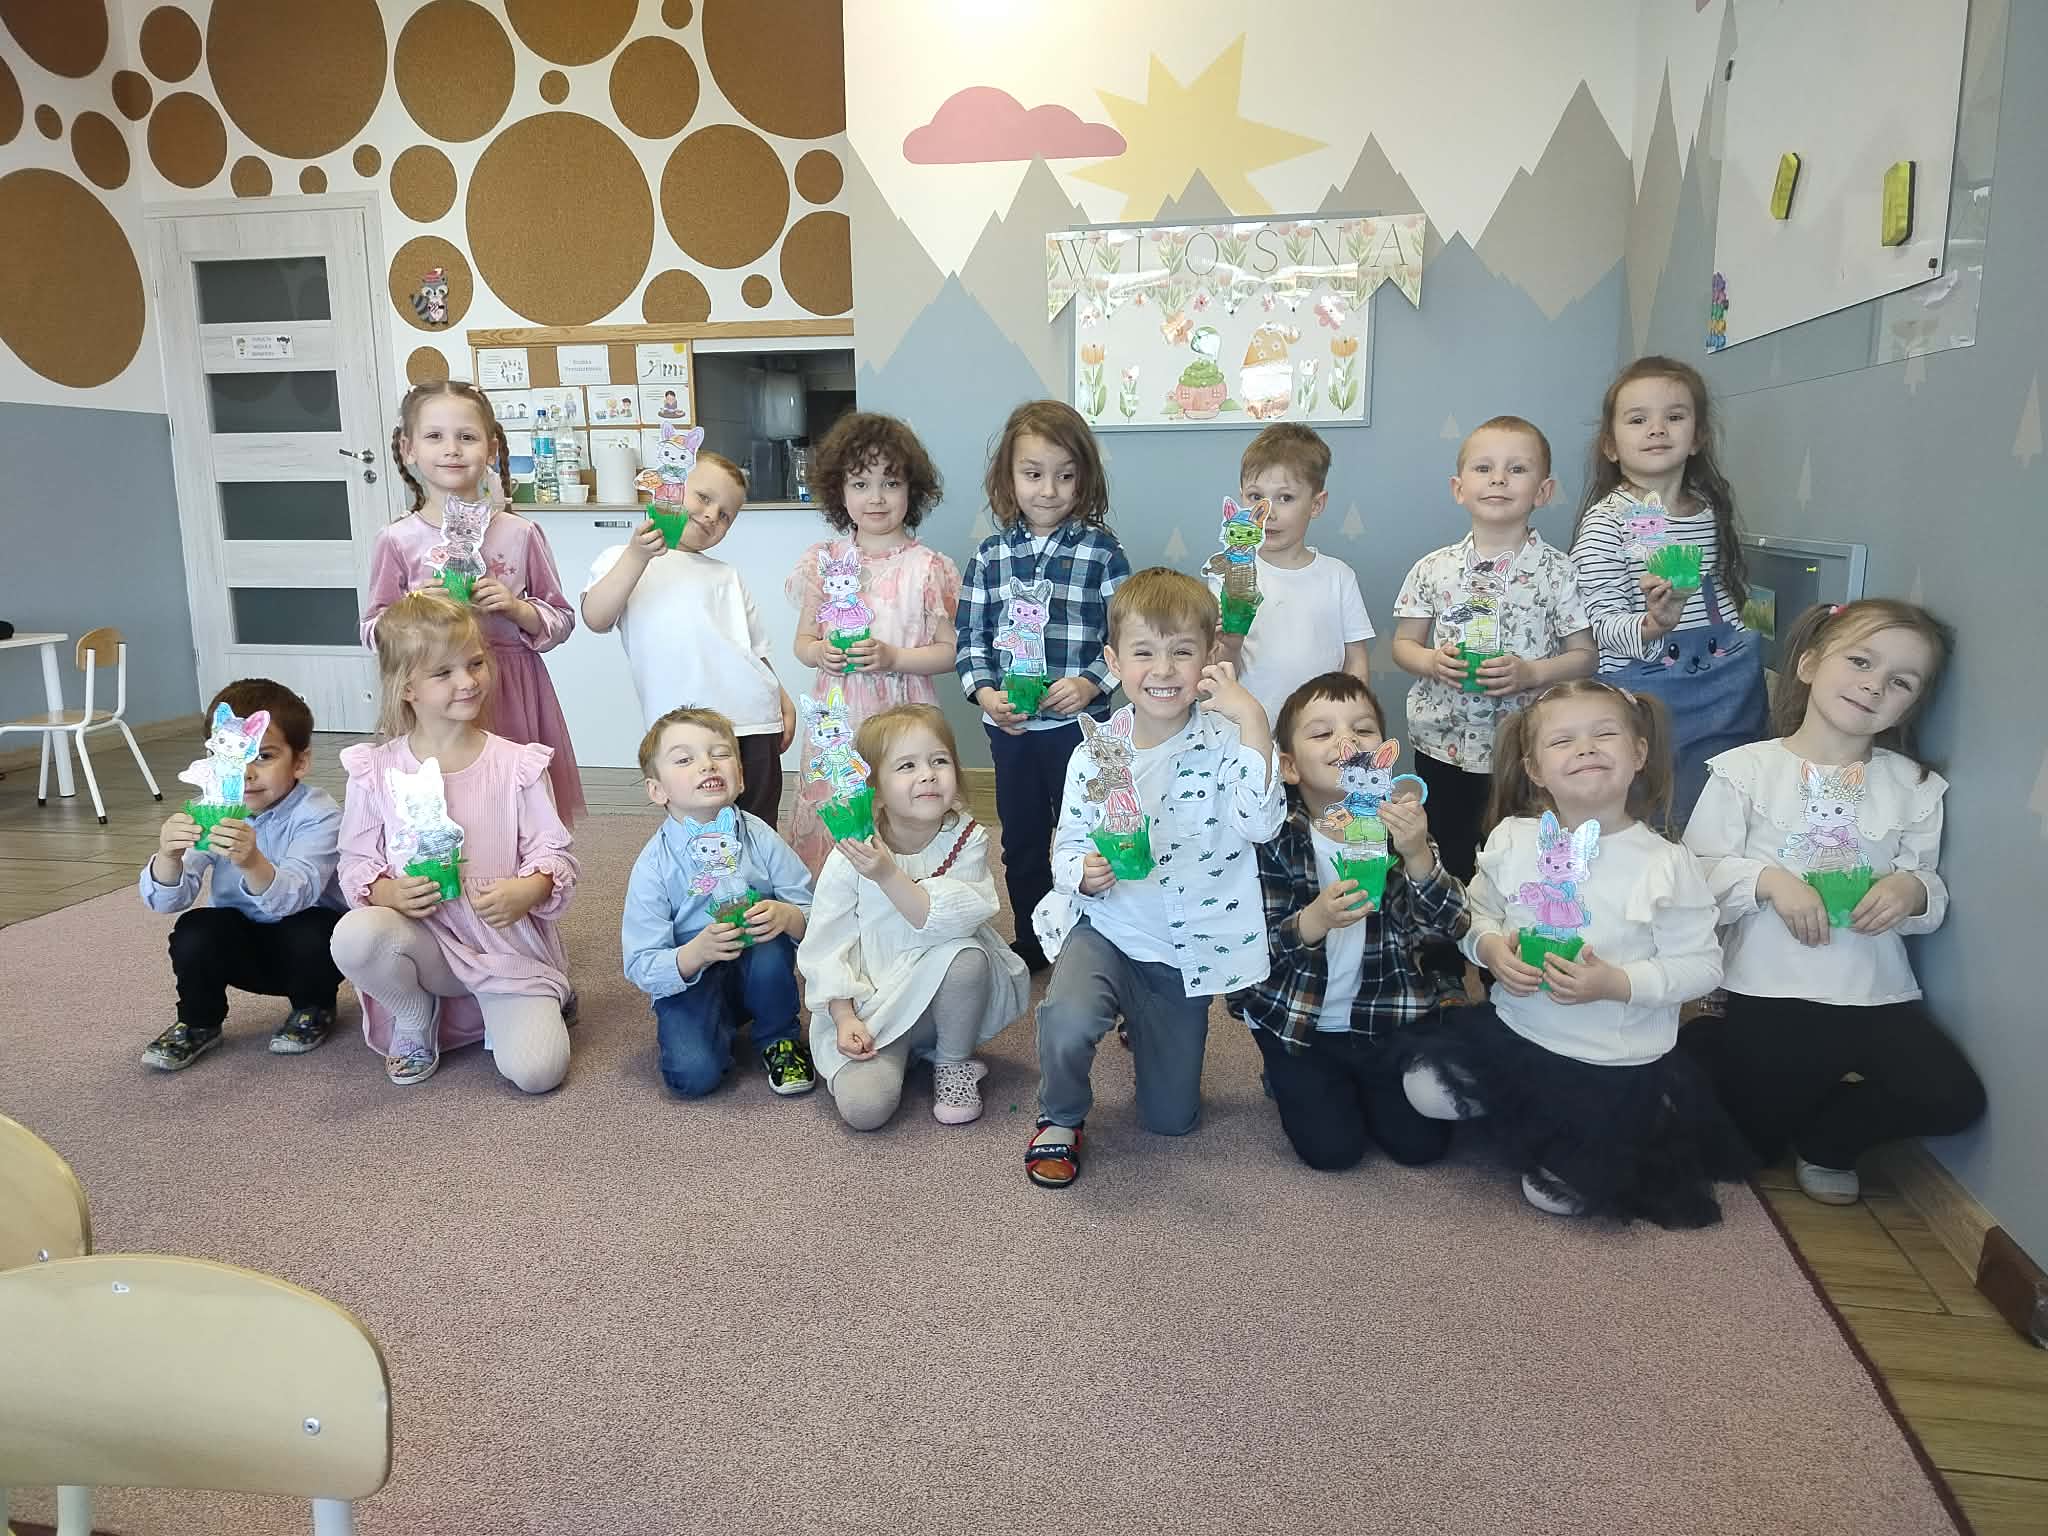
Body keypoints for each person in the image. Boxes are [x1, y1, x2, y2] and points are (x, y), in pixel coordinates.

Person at [1401, 680, 1746, 1226]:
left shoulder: (1665, 863)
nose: (1585, 748)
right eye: (1563, 741)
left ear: (1638, 754)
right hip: (1517, 1038)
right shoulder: (1513, 838)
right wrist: (1490, 950)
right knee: (1422, 1086)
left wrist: (1616, 983)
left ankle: (1634, 1120)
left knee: (1555, 1196)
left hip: (1609, 1064)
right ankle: (1528, 1114)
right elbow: (1475, 916)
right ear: (1534, 769)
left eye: (1604, 735)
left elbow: (1703, 966)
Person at [1681, 600, 1983, 1205]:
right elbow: (1696, 877)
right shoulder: (1746, 771)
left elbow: (1928, 884)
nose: (1874, 686)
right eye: (1861, 662)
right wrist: (1770, 881)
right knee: (1746, 1150)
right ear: (1810, 664)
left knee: (1952, 1096)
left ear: (1912, 703)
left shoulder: (1913, 786)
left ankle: (1829, 1141)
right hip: (1770, 989)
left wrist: (1910, 890)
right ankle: (1708, 1048)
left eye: (1900, 681)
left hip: (1873, 991)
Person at [1025, 568, 1285, 1188]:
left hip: (1182, 950)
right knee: (1065, 1018)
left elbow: (1261, 823)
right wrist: (1081, 873)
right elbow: (1068, 844)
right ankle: (1060, 1115)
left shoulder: (1229, 742)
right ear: (1115, 662)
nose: (1163, 670)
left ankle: (1140, 1021)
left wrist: (1254, 720)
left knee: (1171, 1121)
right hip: (1108, 928)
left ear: (1210, 657)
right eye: (1143, 653)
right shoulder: (1094, 751)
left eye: (1182, 652)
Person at [331, 592, 577, 1091]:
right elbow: (356, 861)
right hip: (424, 938)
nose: (468, 681)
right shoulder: (375, 770)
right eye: (443, 673)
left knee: (538, 1073)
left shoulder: (517, 765)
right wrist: (387, 892)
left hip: (503, 945)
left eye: (475, 664)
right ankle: (413, 1013)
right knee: (355, 935)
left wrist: (528, 889)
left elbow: (552, 851)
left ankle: (532, 997)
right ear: (407, 688)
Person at [1232, 672, 1470, 1171]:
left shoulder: (1400, 829)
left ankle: (1364, 1082)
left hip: (1387, 1017)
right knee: (1332, 1152)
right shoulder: (1274, 838)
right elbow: (1250, 948)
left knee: (1421, 1147)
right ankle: (1287, 1074)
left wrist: (1417, 856)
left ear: (1383, 754)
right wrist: (1315, 919)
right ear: (1289, 766)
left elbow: (1449, 927)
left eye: (1362, 730)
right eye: (1323, 733)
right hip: (1300, 1023)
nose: (1347, 742)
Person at [955, 399, 1130, 971]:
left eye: (1065, 475)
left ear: (1085, 479)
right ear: (1009, 477)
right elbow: (971, 635)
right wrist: (985, 693)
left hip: (1081, 729)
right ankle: (1033, 939)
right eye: (1033, 474)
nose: (1048, 490)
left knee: (1090, 834)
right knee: (1023, 838)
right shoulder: (990, 556)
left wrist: (1090, 683)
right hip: (1012, 731)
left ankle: (1093, 938)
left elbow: (1126, 636)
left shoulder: (1102, 552)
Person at [363, 379, 584, 824]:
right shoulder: (398, 539)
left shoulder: (520, 533)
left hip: (510, 689)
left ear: (491, 448)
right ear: (408, 449)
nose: (452, 449)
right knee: (441, 808)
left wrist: (517, 608)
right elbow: (372, 629)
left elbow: (560, 617)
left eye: (466, 436)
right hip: (432, 696)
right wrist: (412, 609)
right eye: (434, 436)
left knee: (518, 807)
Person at [798, 704, 1029, 1129]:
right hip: (874, 1009)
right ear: (875, 789)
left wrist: (888, 875)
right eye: (907, 766)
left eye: (939, 761)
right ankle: (899, 1054)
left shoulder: (966, 839)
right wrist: (844, 1017)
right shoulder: (850, 853)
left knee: (967, 956)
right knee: (865, 1109)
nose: (927, 775)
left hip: (942, 1002)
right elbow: (827, 945)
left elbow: (951, 920)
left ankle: (952, 1060)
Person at [1391, 415, 1594, 884]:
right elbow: (1403, 645)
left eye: (1516, 469)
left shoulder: (1559, 573)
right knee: (1447, 851)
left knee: (1521, 856)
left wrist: (1532, 673)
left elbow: (1585, 657)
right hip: (1442, 746)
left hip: (1526, 751)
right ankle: (1450, 925)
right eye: (1484, 468)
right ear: (1458, 488)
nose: (1499, 479)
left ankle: (1512, 925)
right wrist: (1431, 662)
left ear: (1543, 491)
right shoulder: (1433, 569)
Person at [1569, 356, 1765, 826]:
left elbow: (1723, 591)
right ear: (1611, 445)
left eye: (1674, 416)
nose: (1657, 429)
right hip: (1645, 688)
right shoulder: (1606, 521)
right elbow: (1597, 622)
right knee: (1654, 807)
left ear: (1697, 437)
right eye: (1638, 420)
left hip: (1725, 683)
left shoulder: (1707, 510)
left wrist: (1749, 641)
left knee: (1723, 802)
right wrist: (1652, 625)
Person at [138, 679, 346, 1070]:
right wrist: (169, 855)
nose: (245, 773)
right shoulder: (211, 808)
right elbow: (167, 901)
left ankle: (313, 1006)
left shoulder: (320, 815)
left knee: (316, 929)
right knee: (196, 929)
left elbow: (297, 895)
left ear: (300, 762)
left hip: (308, 949)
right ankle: (198, 1021)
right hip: (242, 947)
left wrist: (252, 862)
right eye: (229, 757)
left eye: (263, 756)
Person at [581, 451, 798, 826]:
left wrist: (783, 699)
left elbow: (754, 649)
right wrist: (637, 555)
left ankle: (760, 868)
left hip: (752, 720)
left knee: (759, 824)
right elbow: (596, 618)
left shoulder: (726, 574)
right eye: (704, 497)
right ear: (669, 488)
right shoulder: (622, 558)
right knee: (694, 823)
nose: (712, 515)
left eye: (726, 515)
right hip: (682, 728)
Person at [785, 412, 960, 873]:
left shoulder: (928, 568)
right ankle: (832, 906)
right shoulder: (824, 562)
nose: (876, 497)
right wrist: (819, 652)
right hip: (838, 722)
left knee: (903, 813)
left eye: (891, 483)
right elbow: (802, 642)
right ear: (839, 491)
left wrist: (894, 656)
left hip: (904, 717)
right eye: (860, 484)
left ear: (912, 490)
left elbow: (950, 652)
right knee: (840, 813)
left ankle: (908, 899)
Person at [621, 706, 816, 1099]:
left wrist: (788, 917)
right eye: (684, 759)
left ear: (740, 777)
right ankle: (715, 1022)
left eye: (720, 753)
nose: (707, 764)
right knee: (693, 1076)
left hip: (758, 963)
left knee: (769, 943)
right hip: (691, 975)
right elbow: (640, 963)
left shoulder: (760, 837)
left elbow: (814, 912)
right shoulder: (654, 865)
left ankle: (778, 1035)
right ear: (657, 791)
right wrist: (694, 953)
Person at [1210, 422, 1373, 725]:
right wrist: (1229, 644)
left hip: (1319, 734)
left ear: (1316, 504)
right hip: (1243, 732)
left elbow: (1356, 661)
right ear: (1240, 499)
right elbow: (1217, 669)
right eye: (1255, 496)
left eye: (1285, 498)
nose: (1267, 512)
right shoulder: (1226, 575)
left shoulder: (1338, 577)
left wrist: (1350, 721)